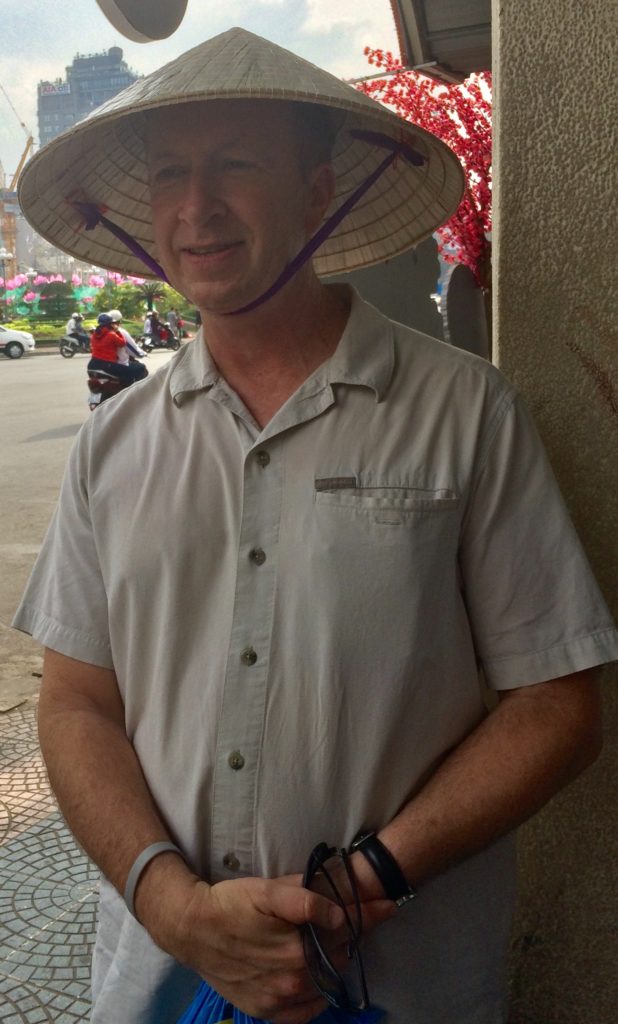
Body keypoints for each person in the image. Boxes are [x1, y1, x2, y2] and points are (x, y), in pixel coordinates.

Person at [13, 26, 618, 1024]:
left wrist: (359, 883)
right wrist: (173, 906)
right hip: (157, 982)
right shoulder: (112, 444)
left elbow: (557, 701)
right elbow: (77, 705)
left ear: (319, 191)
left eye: (235, 165)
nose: (197, 205)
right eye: (170, 174)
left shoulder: (464, 413)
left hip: (403, 986)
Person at [88, 312, 148, 385]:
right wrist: (118, 332)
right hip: (108, 365)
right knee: (138, 369)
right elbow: (123, 343)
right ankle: (129, 390)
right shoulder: (112, 334)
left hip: (92, 364)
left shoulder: (94, 334)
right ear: (110, 324)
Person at [107, 308, 148, 378]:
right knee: (141, 367)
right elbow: (132, 348)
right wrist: (142, 354)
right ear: (119, 321)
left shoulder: (99, 332)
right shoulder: (120, 332)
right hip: (119, 364)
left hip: (101, 364)